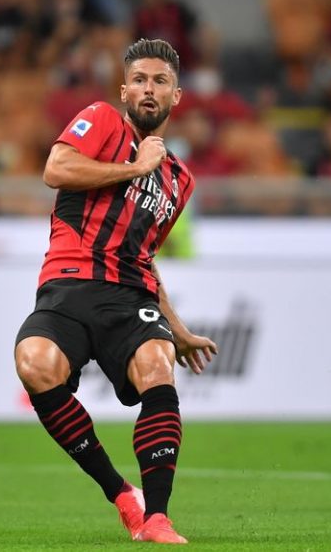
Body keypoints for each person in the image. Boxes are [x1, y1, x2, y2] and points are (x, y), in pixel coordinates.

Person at [14, 39, 218, 544]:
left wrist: (177, 328)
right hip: (68, 283)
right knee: (34, 363)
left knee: (158, 366)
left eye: (161, 82)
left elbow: (144, 254)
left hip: (130, 296)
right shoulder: (102, 120)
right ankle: (123, 495)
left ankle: (158, 518)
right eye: (140, 80)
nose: (149, 89)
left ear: (176, 96)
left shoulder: (180, 180)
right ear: (125, 90)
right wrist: (135, 168)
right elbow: (56, 170)